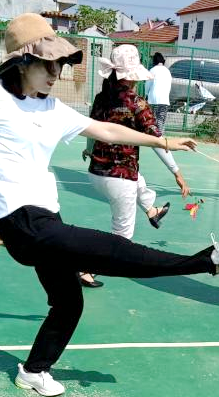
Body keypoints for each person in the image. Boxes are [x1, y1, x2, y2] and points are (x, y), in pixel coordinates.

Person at [0, 13, 219, 397]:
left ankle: (33, 370)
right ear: (23, 61)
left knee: (68, 302)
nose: (57, 72)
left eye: (60, 63)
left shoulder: (50, 108)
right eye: (49, 63)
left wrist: (164, 142)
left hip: (47, 216)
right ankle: (208, 261)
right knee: (112, 250)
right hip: (22, 223)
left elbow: (106, 130)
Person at [79, 46, 190, 287]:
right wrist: (177, 173)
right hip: (119, 180)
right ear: (131, 76)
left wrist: (89, 149)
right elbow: (158, 142)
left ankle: (152, 210)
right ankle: (88, 270)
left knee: (137, 179)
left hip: (96, 173)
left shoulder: (102, 97)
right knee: (122, 237)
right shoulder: (137, 103)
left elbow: (91, 127)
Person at [145, 52, 172, 136]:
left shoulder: (152, 70)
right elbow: (169, 86)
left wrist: (146, 94)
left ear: (154, 61)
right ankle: (160, 136)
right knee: (161, 119)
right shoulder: (167, 71)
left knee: (152, 118)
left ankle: (153, 135)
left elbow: (148, 85)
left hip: (153, 99)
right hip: (164, 100)